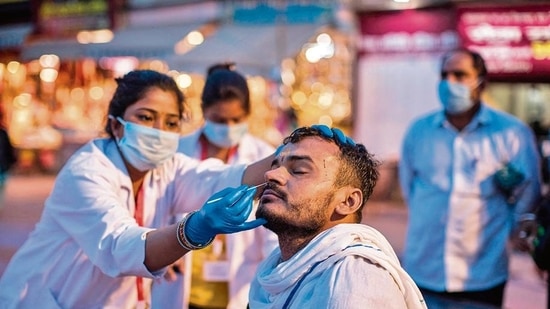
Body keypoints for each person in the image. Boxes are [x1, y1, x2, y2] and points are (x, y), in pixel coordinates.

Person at [0, 69, 273, 308]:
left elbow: (220, 179)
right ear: (117, 126)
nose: (159, 130)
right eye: (146, 117)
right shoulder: (87, 173)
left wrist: (288, 154)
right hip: (42, 300)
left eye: (171, 123)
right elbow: (121, 247)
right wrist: (191, 231)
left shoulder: (167, 167)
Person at [398, 48, 541, 308]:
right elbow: (410, 189)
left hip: (483, 274)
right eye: (444, 74)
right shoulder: (419, 131)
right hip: (423, 270)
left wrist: (513, 232)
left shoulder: (511, 133)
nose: (449, 82)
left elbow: (527, 193)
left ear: (481, 83)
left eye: (460, 74)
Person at [249, 125, 426, 308]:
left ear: (348, 201)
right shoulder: (274, 270)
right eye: (275, 166)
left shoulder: (356, 277)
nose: (270, 175)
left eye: (299, 170)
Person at [151, 63, 278, 309]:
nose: (228, 127)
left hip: (239, 286)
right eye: (219, 120)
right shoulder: (176, 153)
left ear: (248, 115)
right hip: (179, 285)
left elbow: (273, 229)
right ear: (204, 111)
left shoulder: (263, 158)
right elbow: (153, 206)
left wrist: (275, 277)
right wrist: (161, 247)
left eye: (235, 120)